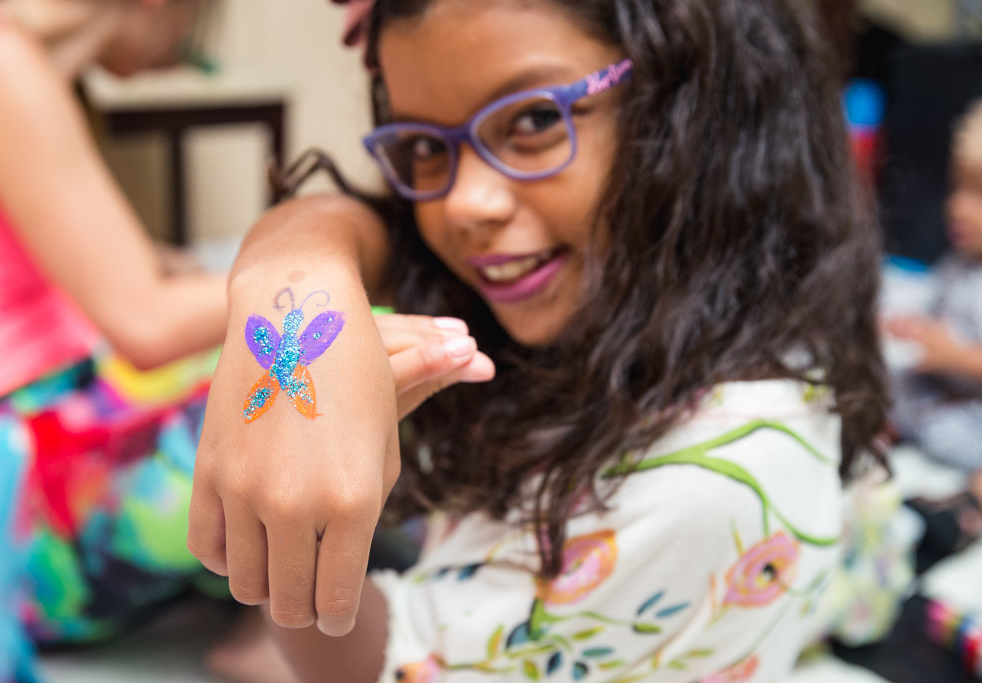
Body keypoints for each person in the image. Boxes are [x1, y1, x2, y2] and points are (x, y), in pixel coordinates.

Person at [188, 0, 889, 681]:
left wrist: (292, 550)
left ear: (693, 102)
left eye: (531, 120)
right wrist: (287, 269)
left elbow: (372, 666)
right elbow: (357, 224)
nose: (466, 203)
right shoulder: (652, 309)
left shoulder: (706, 480)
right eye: (426, 146)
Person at [0, 0, 231, 679]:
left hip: (42, 429)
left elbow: (125, 267)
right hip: (0, 495)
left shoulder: (11, 61)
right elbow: (148, 322)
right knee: (335, 358)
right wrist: (337, 262)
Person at [886, 101, 982, 556]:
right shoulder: (962, 264)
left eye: (979, 194)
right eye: (957, 187)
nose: (957, 207)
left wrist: (957, 356)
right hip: (923, 427)